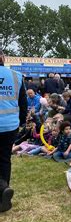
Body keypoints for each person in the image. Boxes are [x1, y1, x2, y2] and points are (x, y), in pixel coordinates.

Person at [0, 50, 27, 208]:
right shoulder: (16, 76)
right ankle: (4, 192)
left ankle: (3, 189)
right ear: (3, 58)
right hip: (10, 125)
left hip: (9, 124)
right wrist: (21, 123)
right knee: (4, 159)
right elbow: (23, 104)